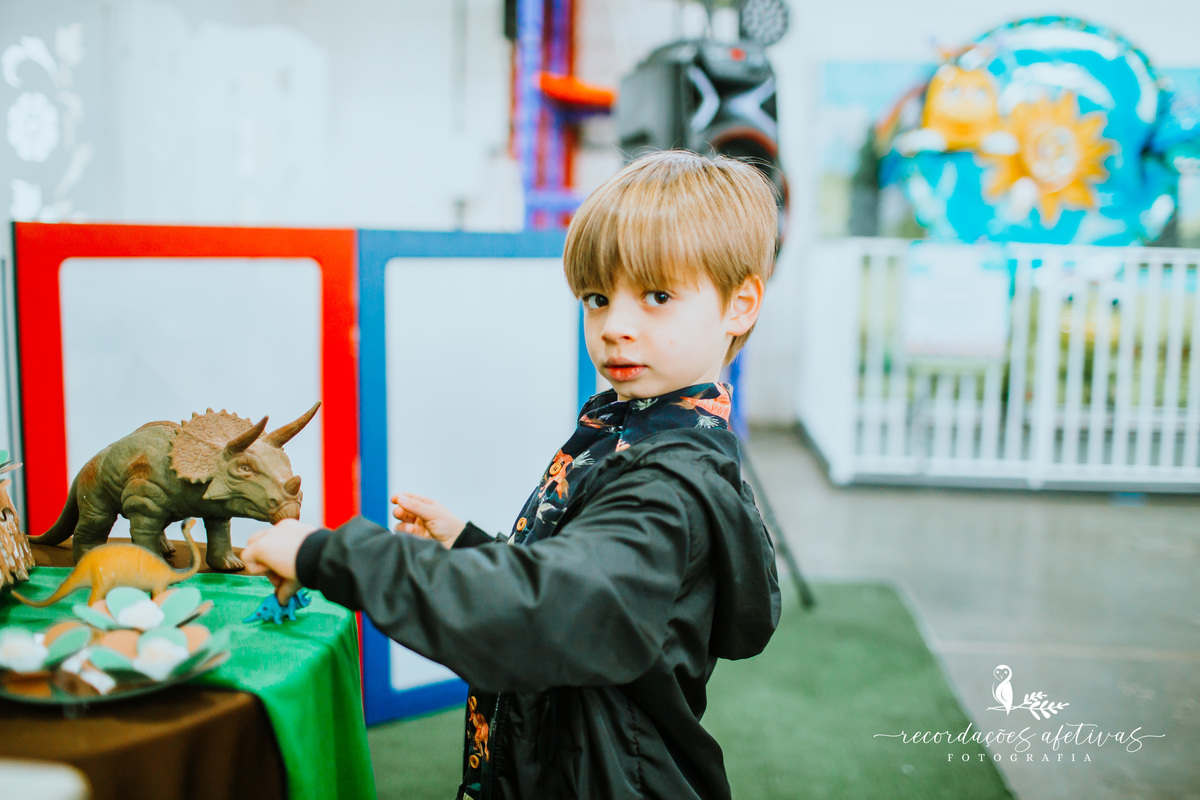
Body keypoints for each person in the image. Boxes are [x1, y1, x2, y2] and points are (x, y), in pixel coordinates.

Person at [241, 150, 782, 800]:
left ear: (740, 305)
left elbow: (539, 613)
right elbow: (586, 589)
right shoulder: (637, 430)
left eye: (658, 296)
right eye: (597, 298)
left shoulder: (667, 485)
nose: (615, 327)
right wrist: (471, 545)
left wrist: (325, 553)